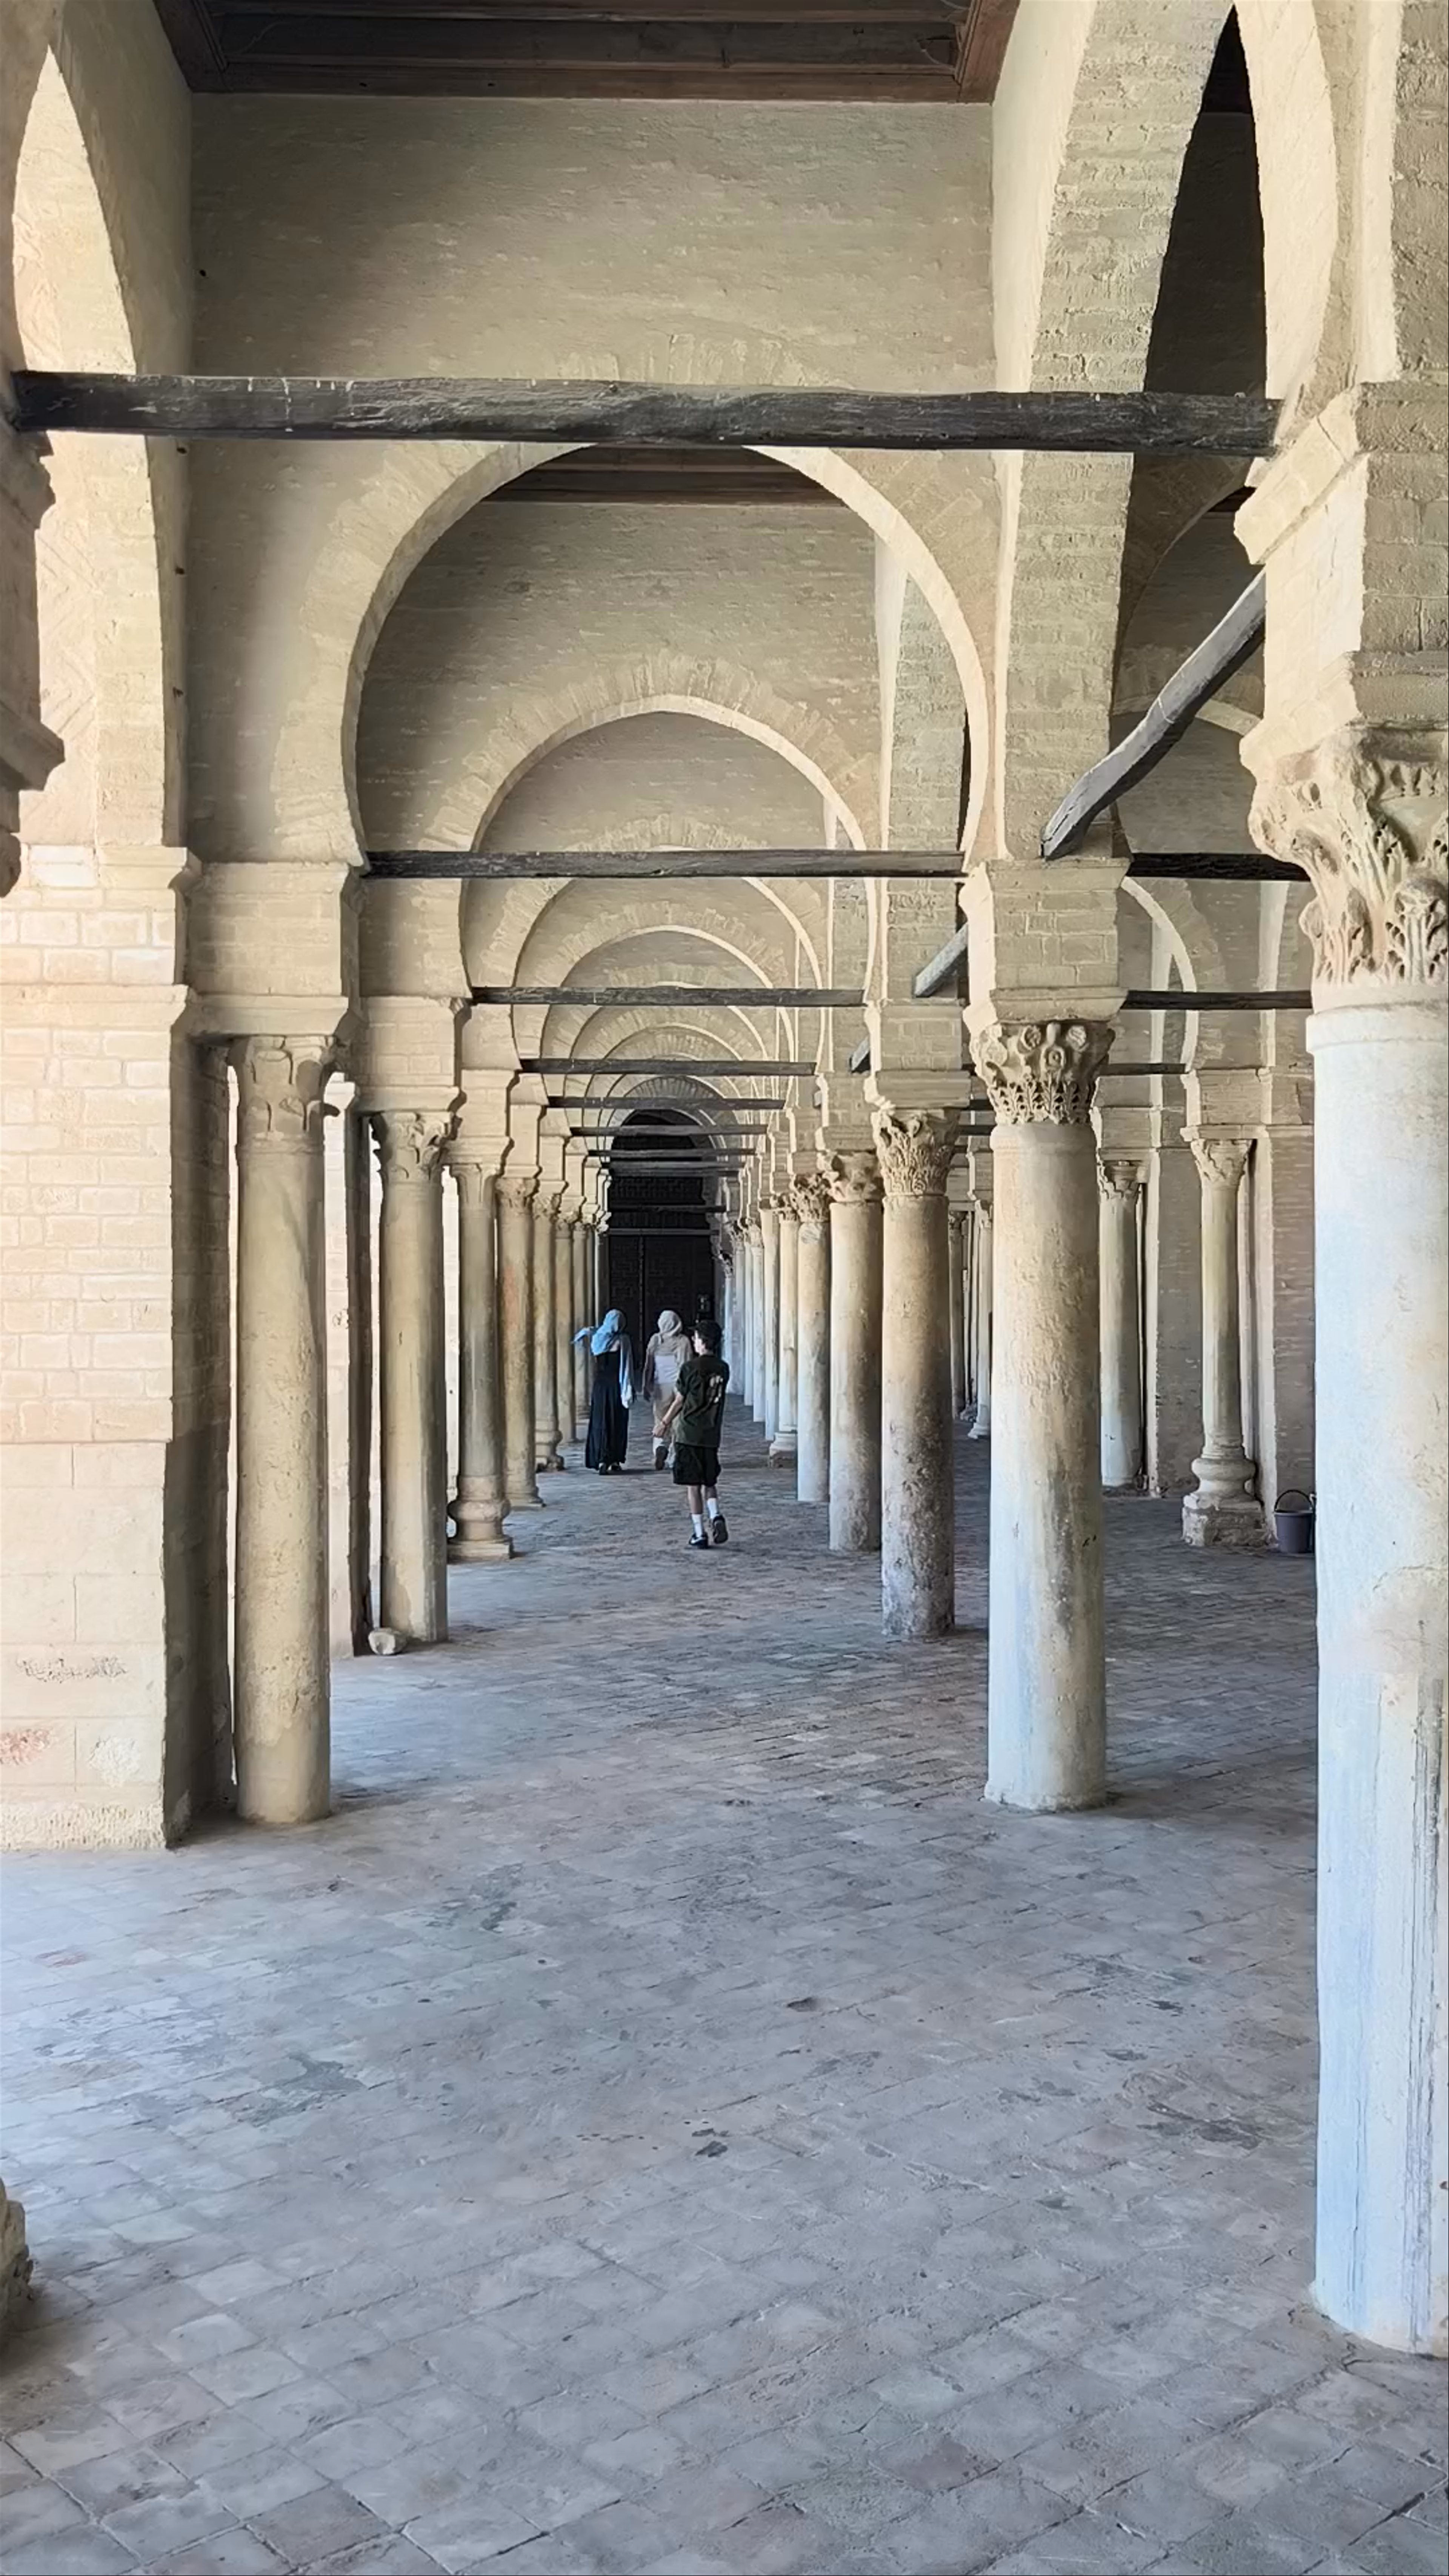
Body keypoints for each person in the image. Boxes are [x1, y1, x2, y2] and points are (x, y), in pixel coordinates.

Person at [657, 1316, 731, 1548]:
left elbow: (680, 1400)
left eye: (696, 1337)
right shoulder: (723, 1368)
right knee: (710, 1481)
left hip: (689, 1432)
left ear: (702, 1342)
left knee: (693, 1486)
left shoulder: (690, 1368)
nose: (693, 1340)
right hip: (711, 1433)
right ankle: (716, 1515)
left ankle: (700, 1533)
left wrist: (664, 1423)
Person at [574, 1308, 634, 1473]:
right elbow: (627, 1366)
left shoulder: (598, 1339)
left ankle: (601, 1458)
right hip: (616, 1387)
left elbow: (587, 1340)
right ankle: (615, 1459)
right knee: (617, 1421)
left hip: (600, 1387)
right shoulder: (623, 1341)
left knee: (601, 1421)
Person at [640, 1308, 694, 1470]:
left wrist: (646, 1385)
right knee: (678, 1422)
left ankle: (659, 1447)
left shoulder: (656, 1340)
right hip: (678, 1386)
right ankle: (674, 1456)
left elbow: (648, 1365)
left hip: (660, 1386)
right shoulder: (683, 1341)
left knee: (660, 1419)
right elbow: (686, 1365)